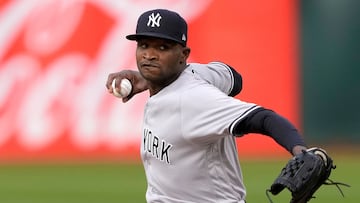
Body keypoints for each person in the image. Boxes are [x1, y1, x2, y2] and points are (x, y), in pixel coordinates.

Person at [106, 9, 307, 203]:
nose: (149, 55)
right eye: (144, 45)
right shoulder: (198, 74)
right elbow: (234, 79)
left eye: (162, 48)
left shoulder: (194, 99)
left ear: (183, 55)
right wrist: (146, 78)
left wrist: (301, 152)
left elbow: (263, 118)